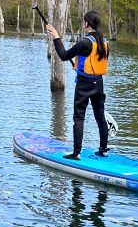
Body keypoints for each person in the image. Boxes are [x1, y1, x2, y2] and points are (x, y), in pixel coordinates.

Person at [46, 10, 110, 159]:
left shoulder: (85, 42)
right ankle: (103, 149)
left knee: (79, 118)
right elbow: (96, 61)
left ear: (87, 23)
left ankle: (76, 153)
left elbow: (63, 55)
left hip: (84, 84)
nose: (83, 23)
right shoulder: (105, 42)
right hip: (98, 83)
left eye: (84, 21)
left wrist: (56, 36)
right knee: (100, 116)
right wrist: (79, 65)